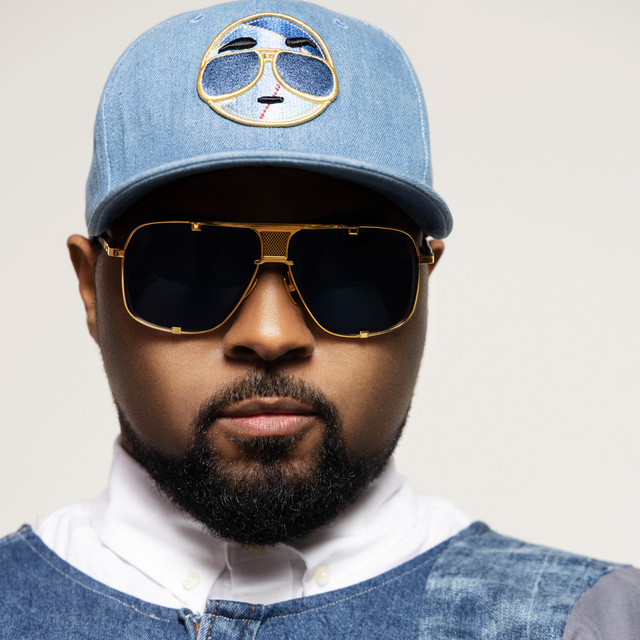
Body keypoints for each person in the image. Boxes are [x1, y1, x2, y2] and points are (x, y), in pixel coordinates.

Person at [1, 0, 638, 637]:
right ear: (91, 288)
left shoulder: (592, 622)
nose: (270, 334)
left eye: (349, 266)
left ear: (424, 283)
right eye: (191, 265)